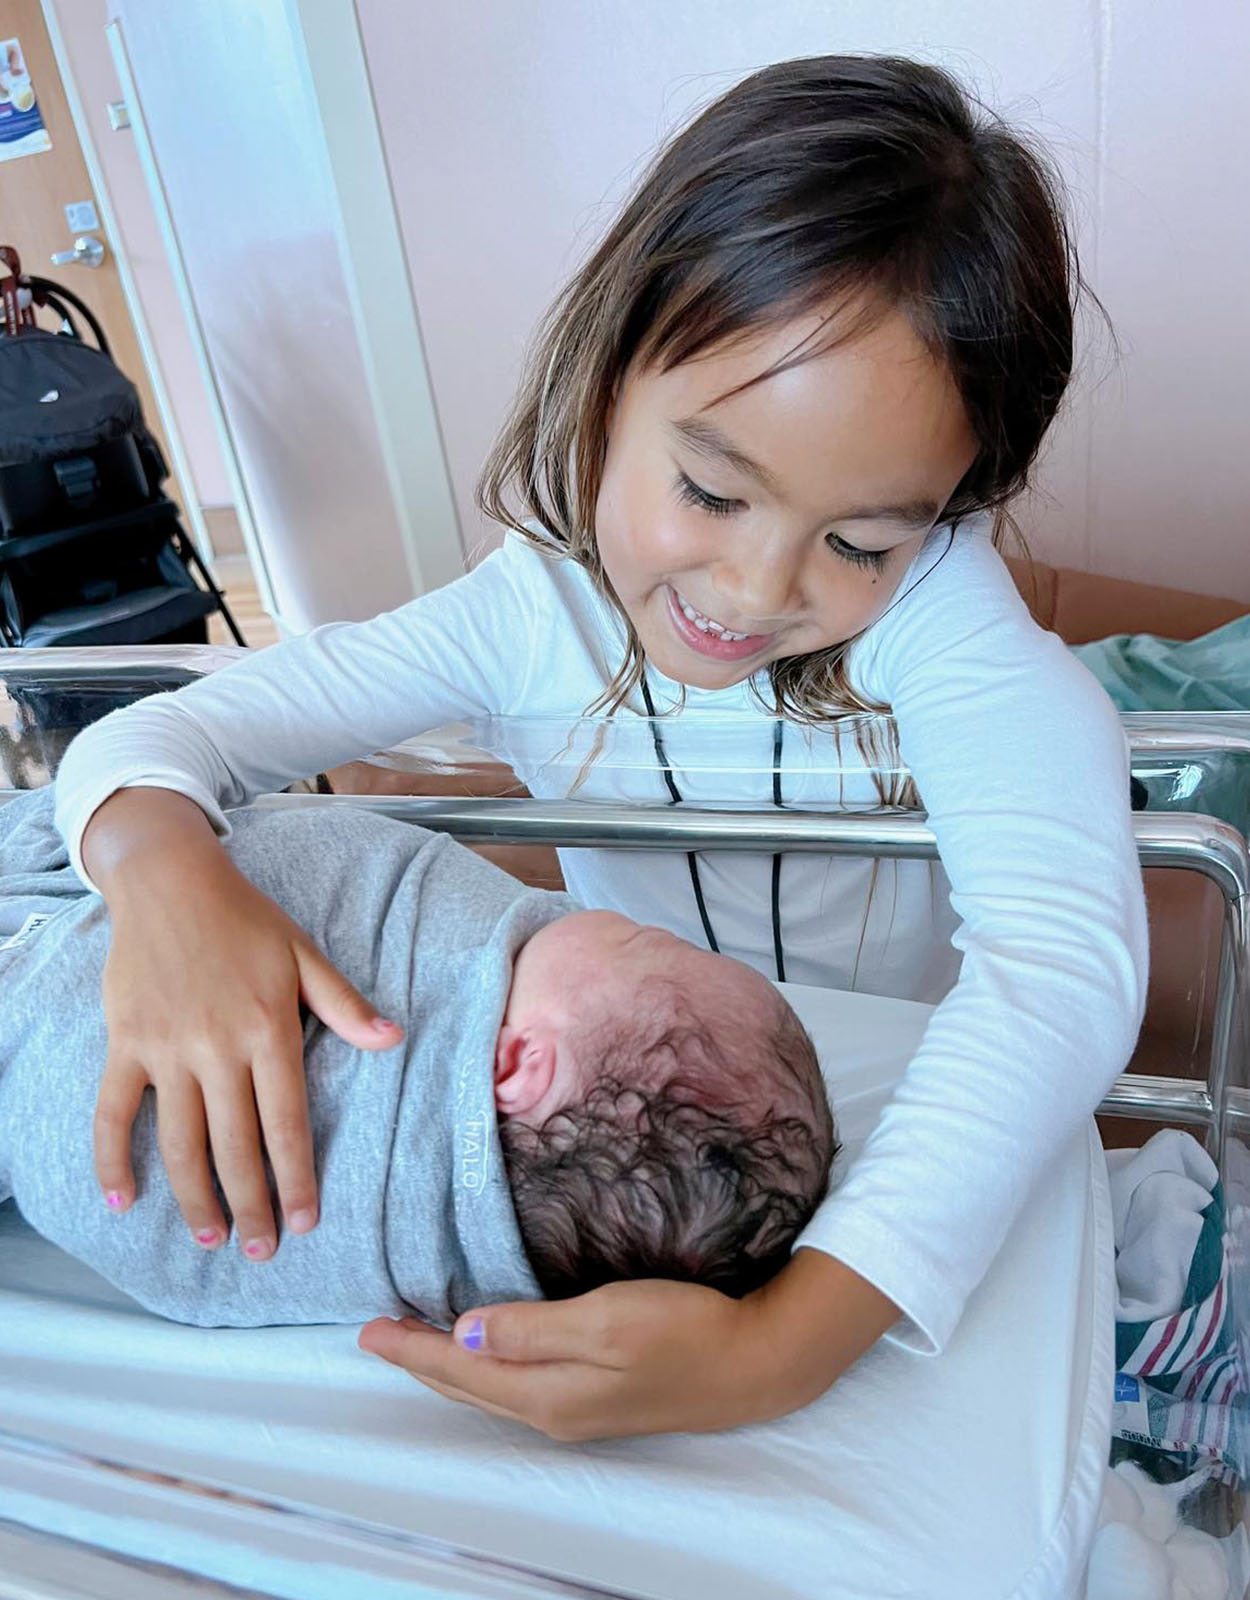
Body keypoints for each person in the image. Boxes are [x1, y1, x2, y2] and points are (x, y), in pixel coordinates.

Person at [52, 55, 1146, 1438]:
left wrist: (782, 1349)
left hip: (824, 1100)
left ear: (942, 513)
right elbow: (168, 732)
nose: (752, 592)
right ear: (609, 373)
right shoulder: (532, 606)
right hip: (621, 1114)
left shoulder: (939, 612)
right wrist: (161, 874)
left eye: (858, 540)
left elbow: (1061, 961)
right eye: (707, 488)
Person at [0, 788, 833, 1324]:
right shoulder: (464, 1276)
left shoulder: (411, 1163)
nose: (626, 923)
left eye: (644, 939)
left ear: (516, 1067)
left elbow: (71, 1115)